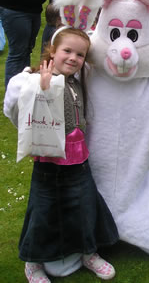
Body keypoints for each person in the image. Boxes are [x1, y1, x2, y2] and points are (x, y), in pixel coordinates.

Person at [4, 27, 119, 283]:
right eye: (67, 51)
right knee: (43, 212)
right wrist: (42, 89)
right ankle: (33, 263)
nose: (73, 58)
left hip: (79, 160)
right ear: (53, 51)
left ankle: (88, 252)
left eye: (80, 54)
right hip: (48, 164)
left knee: (86, 207)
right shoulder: (35, 79)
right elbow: (21, 115)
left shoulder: (77, 82)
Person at [0, 0, 58, 89]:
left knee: (26, 51)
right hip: (16, 10)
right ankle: (12, 93)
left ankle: (23, 87)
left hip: (33, 10)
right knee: (18, 53)